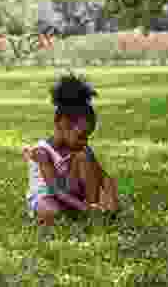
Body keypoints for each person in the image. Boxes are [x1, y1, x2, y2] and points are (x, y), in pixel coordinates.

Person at [22, 73, 118, 226]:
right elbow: (56, 191)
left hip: (73, 196)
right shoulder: (42, 152)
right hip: (49, 196)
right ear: (62, 124)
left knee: (85, 157)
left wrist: (112, 205)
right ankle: (82, 213)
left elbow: (104, 177)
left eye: (87, 137)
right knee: (51, 211)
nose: (85, 141)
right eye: (81, 136)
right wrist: (84, 209)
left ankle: (91, 210)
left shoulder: (80, 149)